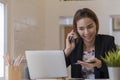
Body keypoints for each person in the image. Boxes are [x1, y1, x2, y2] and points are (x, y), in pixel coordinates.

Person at [64, 8, 116, 79]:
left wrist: (100, 65)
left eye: (90, 27)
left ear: (96, 25)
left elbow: (116, 71)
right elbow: (56, 69)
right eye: (81, 29)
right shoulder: (74, 45)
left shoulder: (107, 41)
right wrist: (67, 51)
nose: (86, 32)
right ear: (76, 30)